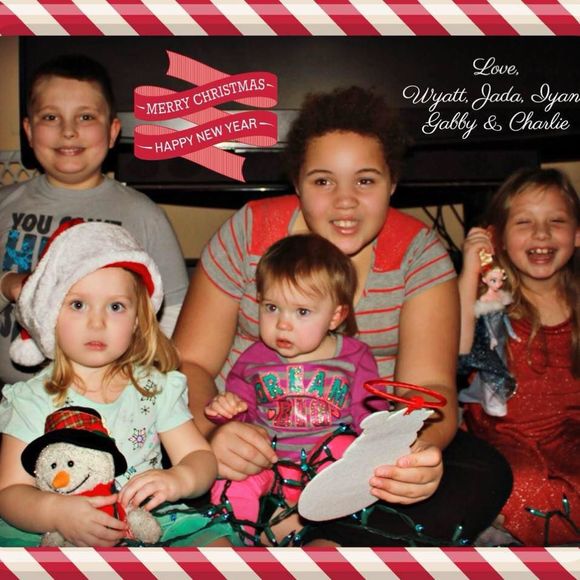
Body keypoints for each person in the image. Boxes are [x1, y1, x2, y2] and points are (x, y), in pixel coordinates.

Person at [174, 86, 513, 545]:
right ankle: (316, 537)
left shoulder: (420, 255)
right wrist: (211, 433)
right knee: (170, 465)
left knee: (483, 471)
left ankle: (324, 541)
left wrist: (417, 456)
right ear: (297, 183)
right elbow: (189, 362)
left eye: (366, 181)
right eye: (323, 181)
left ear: (393, 183)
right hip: (251, 443)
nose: (345, 201)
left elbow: (430, 387)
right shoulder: (248, 233)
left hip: (358, 455)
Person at [0, 220, 236, 547]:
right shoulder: (32, 398)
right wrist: (56, 512)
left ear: (137, 320)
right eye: (78, 304)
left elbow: (199, 456)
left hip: (150, 520)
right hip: (58, 527)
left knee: (220, 552)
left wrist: (179, 478)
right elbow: (9, 492)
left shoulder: (155, 388)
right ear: (50, 314)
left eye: (115, 306)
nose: (97, 322)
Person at [0, 54, 188, 386]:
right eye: (51, 117)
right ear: (28, 131)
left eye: (85, 117)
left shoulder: (144, 215)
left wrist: (146, 375)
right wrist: (8, 285)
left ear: (112, 132)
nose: (68, 131)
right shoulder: (3, 204)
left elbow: (175, 310)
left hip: (109, 397)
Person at [204, 234, 380, 542]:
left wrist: (381, 440)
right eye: (272, 307)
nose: (283, 324)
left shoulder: (355, 358)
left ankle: (326, 533)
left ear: (335, 316)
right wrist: (227, 412)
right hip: (269, 464)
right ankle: (237, 542)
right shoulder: (253, 360)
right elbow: (242, 420)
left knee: (345, 447)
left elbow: (370, 414)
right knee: (231, 481)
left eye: (302, 312)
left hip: (327, 470)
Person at [459, 167, 580, 545]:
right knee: (520, 482)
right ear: (497, 238)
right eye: (525, 222)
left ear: (577, 234)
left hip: (568, 435)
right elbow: (457, 347)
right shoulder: (492, 303)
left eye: (556, 222)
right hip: (502, 437)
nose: (541, 234)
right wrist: (470, 271)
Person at [458, 252, 520, 417]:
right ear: (485, 280)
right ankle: (493, 400)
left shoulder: (501, 297)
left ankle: (491, 398)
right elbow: (486, 323)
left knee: (501, 364)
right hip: (487, 340)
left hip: (500, 338)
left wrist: (511, 333)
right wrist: (491, 337)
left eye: (500, 280)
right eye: (493, 280)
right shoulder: (484, 301)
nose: (498, 284)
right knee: (492, 369)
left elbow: (504, 319)